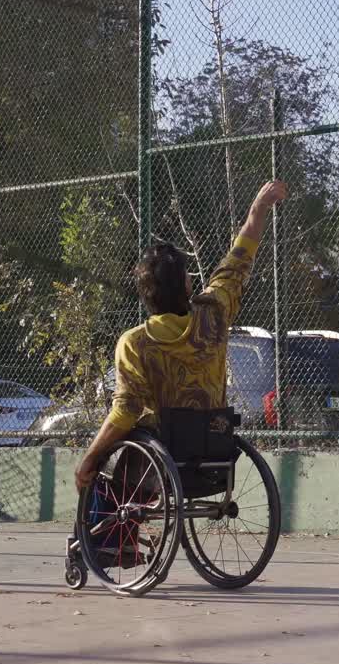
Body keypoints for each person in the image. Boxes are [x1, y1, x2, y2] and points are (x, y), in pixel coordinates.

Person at [74, 180, 288, 492]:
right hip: (214, 449)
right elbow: (238, 262)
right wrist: (258, 208)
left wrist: (90, 458)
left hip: (159, 464)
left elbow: (126, 411)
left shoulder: (135, 343)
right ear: (187, 288)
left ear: (146, 295)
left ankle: (105, 538)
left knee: (105, 464)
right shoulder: (213, 314)